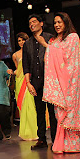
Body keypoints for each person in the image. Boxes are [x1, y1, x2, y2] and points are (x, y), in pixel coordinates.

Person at [40, 12, 80, 154]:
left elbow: (79, 60)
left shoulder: (73, 38)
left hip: (71, 84)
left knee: (71, 112)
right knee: (60, 113)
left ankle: (75, 145)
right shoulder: (55, 42)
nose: (56, 25)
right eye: (55, 23)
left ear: (66, 22)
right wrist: (50, 48)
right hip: (59, 84)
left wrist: (47, 47)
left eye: (59, 22)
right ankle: (62, 143)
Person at [22, 14, 57, 150]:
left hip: (50, 81)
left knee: (53, 113)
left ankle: (55, 140)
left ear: (41, 23)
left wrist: (45, 44)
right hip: (35, 82)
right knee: (40, 112)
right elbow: (26, 64)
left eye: (34, 22)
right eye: (30, 23)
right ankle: (41, 139)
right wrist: (28, 83)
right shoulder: (27, 44)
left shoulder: (50, 38)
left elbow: (56, 56)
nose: (32, 24)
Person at [12, 32, 38, 141]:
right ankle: (25, 131)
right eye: (19, 41)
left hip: (29, 80)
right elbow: (18, 69)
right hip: (19, 81)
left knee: (30, 105)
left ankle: (33, 131)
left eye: (23, 40)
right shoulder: (15, 55)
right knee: (21, 105)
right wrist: (13, 72)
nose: (21, 42)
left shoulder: (31, 52)